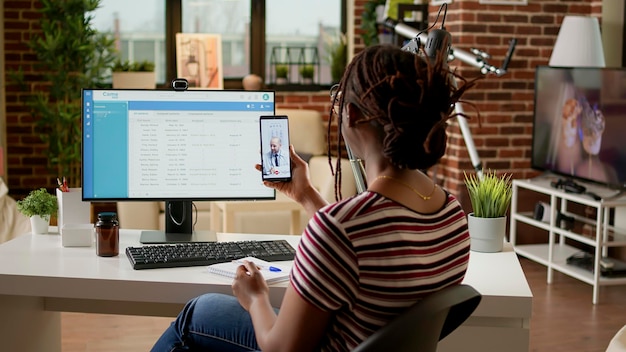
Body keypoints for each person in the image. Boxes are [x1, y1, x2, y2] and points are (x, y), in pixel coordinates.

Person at [151, 43, 477, 352]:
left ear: (350, 115)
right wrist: (306, 194)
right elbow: (361, 247)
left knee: (196, 315)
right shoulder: (451, 214)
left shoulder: (340, 228)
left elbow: (281, 347)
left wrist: (256, 298)